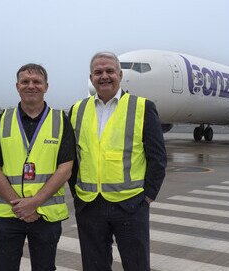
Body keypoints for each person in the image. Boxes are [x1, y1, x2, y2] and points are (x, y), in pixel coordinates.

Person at [69, 52, 167, 270]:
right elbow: (73, 157)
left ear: (120, 75)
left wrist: (147, 197)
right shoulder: (77, 110)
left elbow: (158, 158)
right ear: (91, 77)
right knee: (94, 266)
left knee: (136, 265)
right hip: (89, 205)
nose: (104, 76)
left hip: (130, 205)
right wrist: (77, 194)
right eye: (98, 72)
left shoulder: (143, 107)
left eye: (109, 71)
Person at [0, 63, 76, 271]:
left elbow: (65, 169)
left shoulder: (61, 121)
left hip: (45, 215)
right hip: (9, 214)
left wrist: (34, 202)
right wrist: (20, 206)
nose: (31, 86)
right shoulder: (1, 121)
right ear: (17, 86)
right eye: (25, 82)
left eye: (37, 82)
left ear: (46, 86)